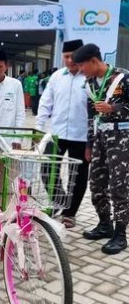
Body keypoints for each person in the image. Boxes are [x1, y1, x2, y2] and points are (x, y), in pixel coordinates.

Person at [73, 43, 129, 255]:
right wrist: (89, 144)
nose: (80, 70)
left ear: (94, 61)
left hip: (121, 138)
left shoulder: (122, 78)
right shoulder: (90, 84)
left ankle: (121, 234)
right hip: (100, 138)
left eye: (82, 65)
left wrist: (114, 108)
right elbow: (91, 117)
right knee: (96, 184)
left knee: (119, 186)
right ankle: (105, 224)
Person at [36, 39, 89, 228]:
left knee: (78, 175)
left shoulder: (88, 78)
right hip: (56, 133)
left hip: (82, 136)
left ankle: (70, 212)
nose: (70, 60)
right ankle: (60, 200)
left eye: (73, 56)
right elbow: (45, 102)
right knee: (47, 169)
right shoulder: (57, 77)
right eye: (66, 56)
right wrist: (39, 127)